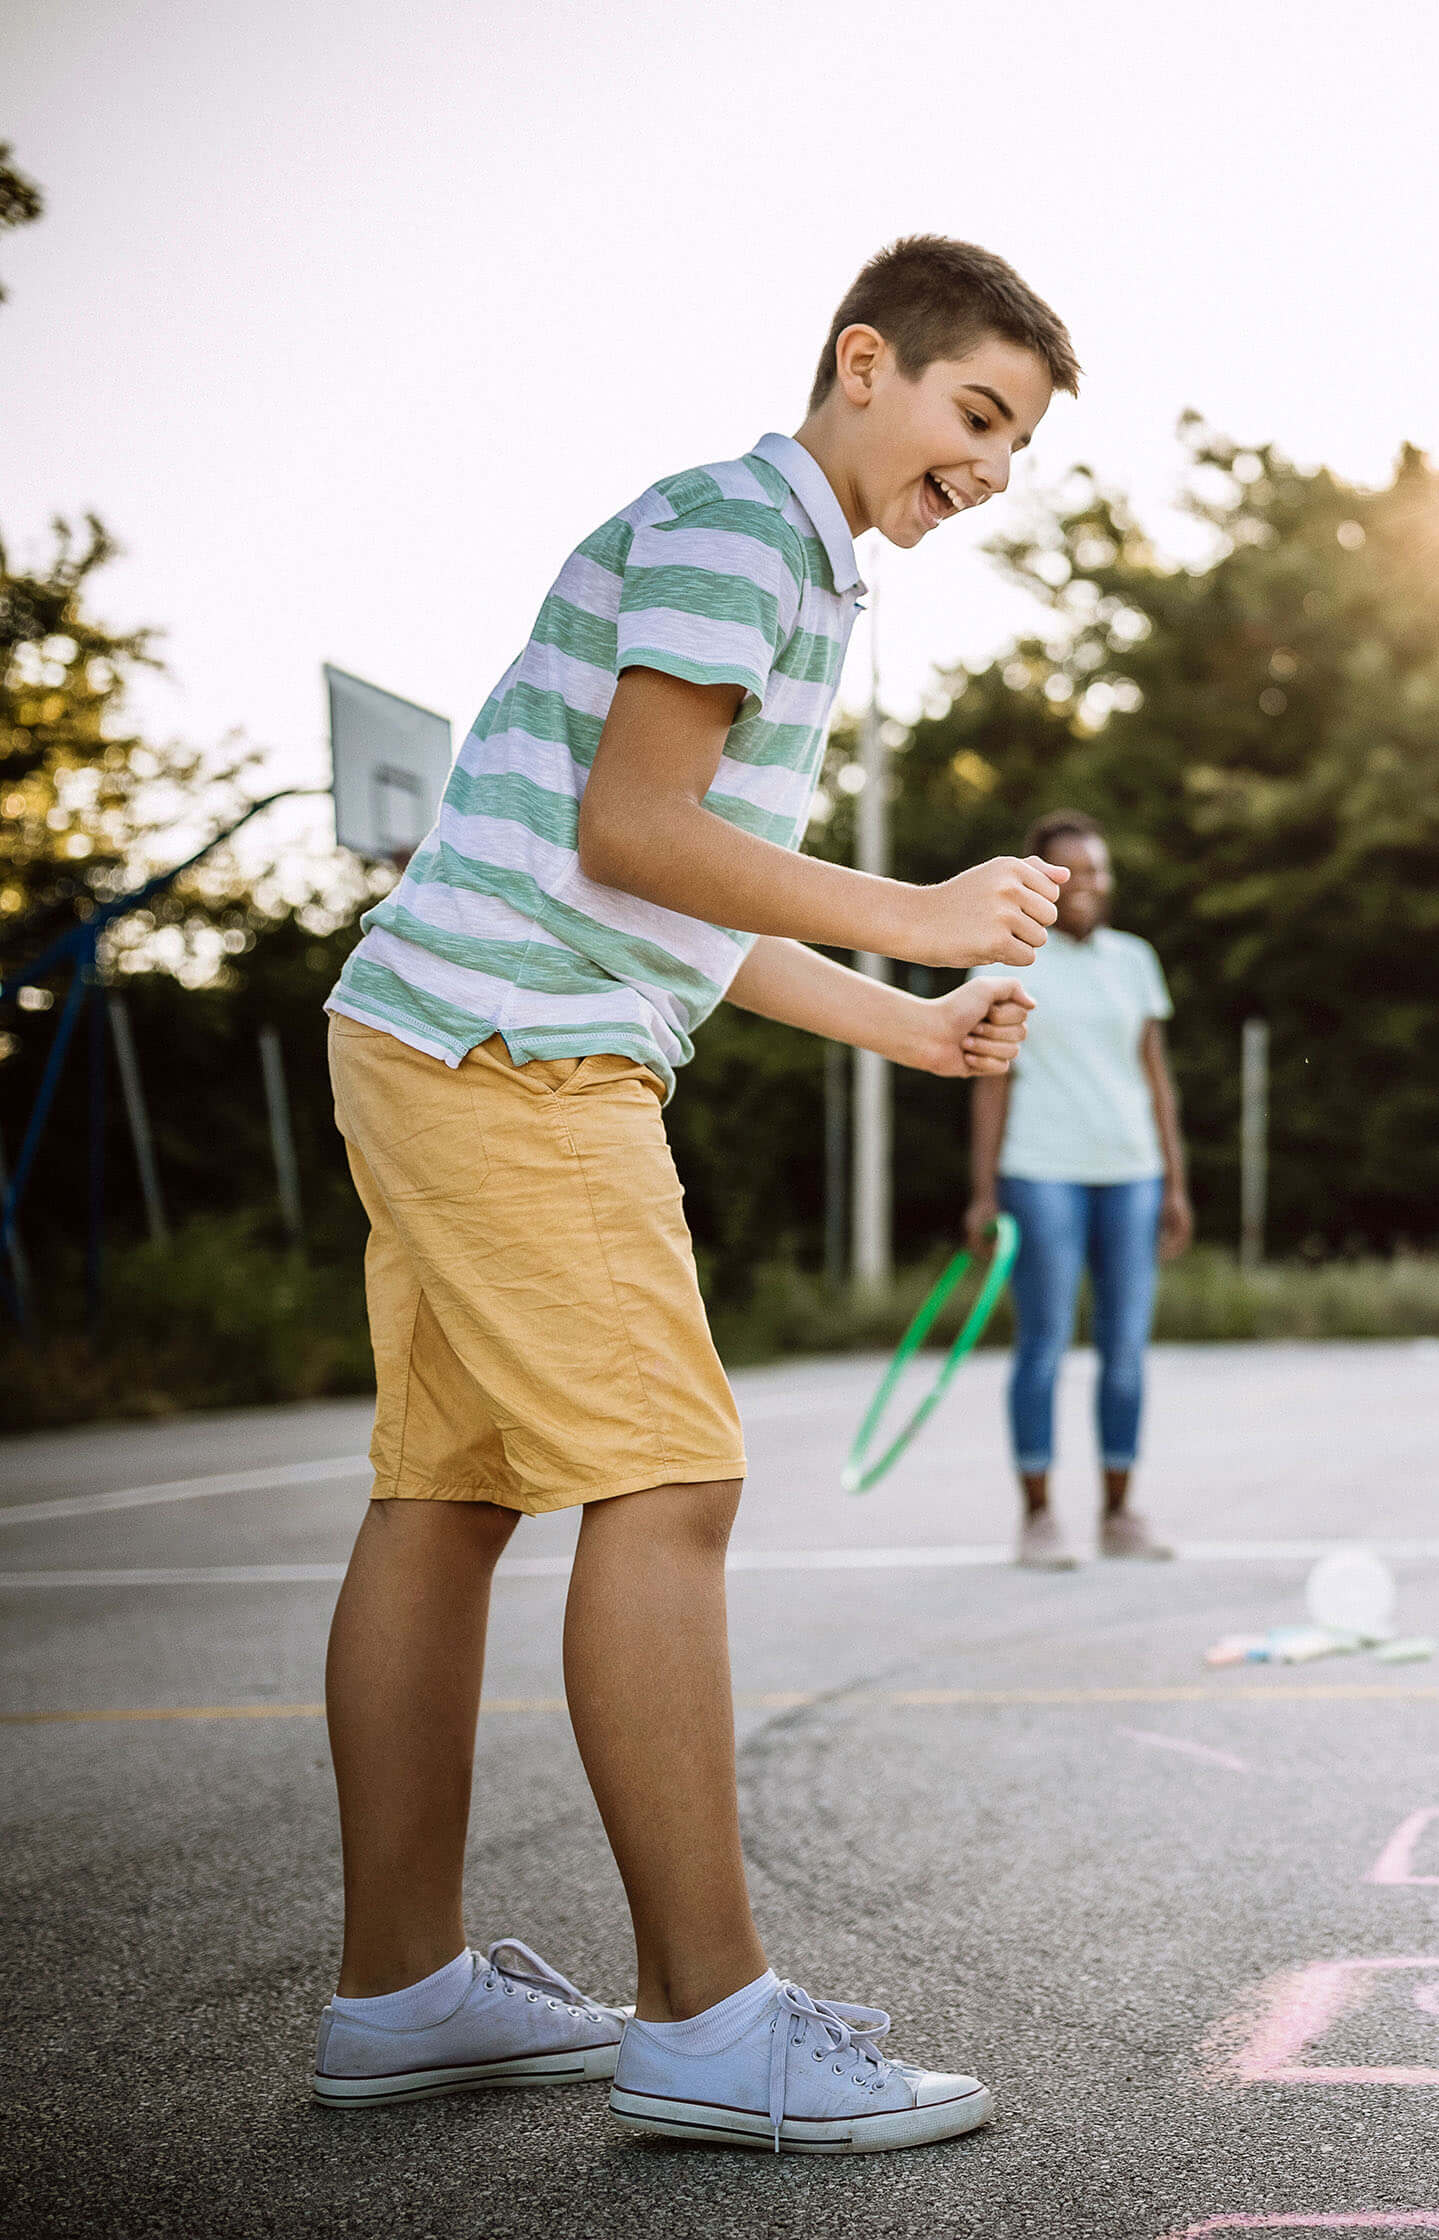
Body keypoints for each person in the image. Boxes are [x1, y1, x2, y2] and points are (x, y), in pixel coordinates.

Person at [314, 237, 1082, 2150]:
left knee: (450, 1493)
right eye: (974, 416)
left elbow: (682, 887)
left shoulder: (781, 556)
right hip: (517, 1045)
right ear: (863, 365)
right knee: (671, 1482)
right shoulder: (750, 529)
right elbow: (632, 825)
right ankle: (709, 2019)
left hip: (441, 1022)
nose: (985, 471)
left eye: (1015, 448)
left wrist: (903, 1024)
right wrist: (911, 911)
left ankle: (403, 1989)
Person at [963, 809, 1193, 1567]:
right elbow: (989, 1084)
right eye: (1074, 873)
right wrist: (984, 1191)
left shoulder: (1135, 960)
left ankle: (1120, 1515)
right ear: (1041, 882)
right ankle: (1038, 1519)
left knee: (1125, 1350)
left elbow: (1156, 1078)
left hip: (1131, 1173)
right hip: (1041, 1172)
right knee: (1045, 1344)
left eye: (1098, 871)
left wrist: (1176, 1183)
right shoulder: (1004, 961)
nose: (1090, 885)